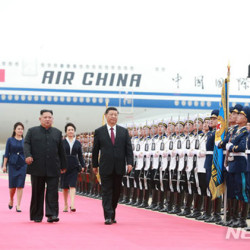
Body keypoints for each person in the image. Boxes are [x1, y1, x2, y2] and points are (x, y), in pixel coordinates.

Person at [24, 109, 67, 223]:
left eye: (50, 117)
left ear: (52, 119)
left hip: (53, 167)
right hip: (37, 167)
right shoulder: (32, 131)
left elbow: (61, 151)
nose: (47, 119)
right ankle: (37, 215)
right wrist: (28, 155)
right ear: (40, 118)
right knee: (37, 191)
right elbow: (26, 144)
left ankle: (52, 214)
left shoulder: (57, 133)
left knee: (52, 192)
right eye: (45, 117)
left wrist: (63, 165)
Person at [92, 107, 133, 225]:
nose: (113, 117)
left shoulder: (123, 131)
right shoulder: (99, 131)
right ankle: (108, 216)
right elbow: (95, 150)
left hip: (119, 167)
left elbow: (128, 149)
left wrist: (130, 162)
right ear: (106, 116)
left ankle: (112, 211)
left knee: (116, 192)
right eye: (111, 114)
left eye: (115, 115)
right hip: (105, 166)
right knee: (106, 192)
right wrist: (95, 165)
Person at [2, 122, 27, 212]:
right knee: (12, 186)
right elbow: (6, 153)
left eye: (21, 129)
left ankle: (18, 205)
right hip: (12, 164)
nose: (20, 130)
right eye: (18, 129)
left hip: (22, 164)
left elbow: (28, 153)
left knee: (20, 185)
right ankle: (11, 199)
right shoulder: (10, 140)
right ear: (15, 130)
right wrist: (4, 165)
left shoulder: (25, 141)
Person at [61, 123, 85, 212]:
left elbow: (80, 155)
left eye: (72, 130)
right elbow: (59, 155)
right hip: (64, 166)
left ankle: (72, 204)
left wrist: (83, 165)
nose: (70, 131)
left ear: (74, 131)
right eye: (69, 130)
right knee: (65, 186)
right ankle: (65, 204)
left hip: (74, 166)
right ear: (66, 132)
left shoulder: (78, 143)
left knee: (73, 185)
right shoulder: (62, 142)